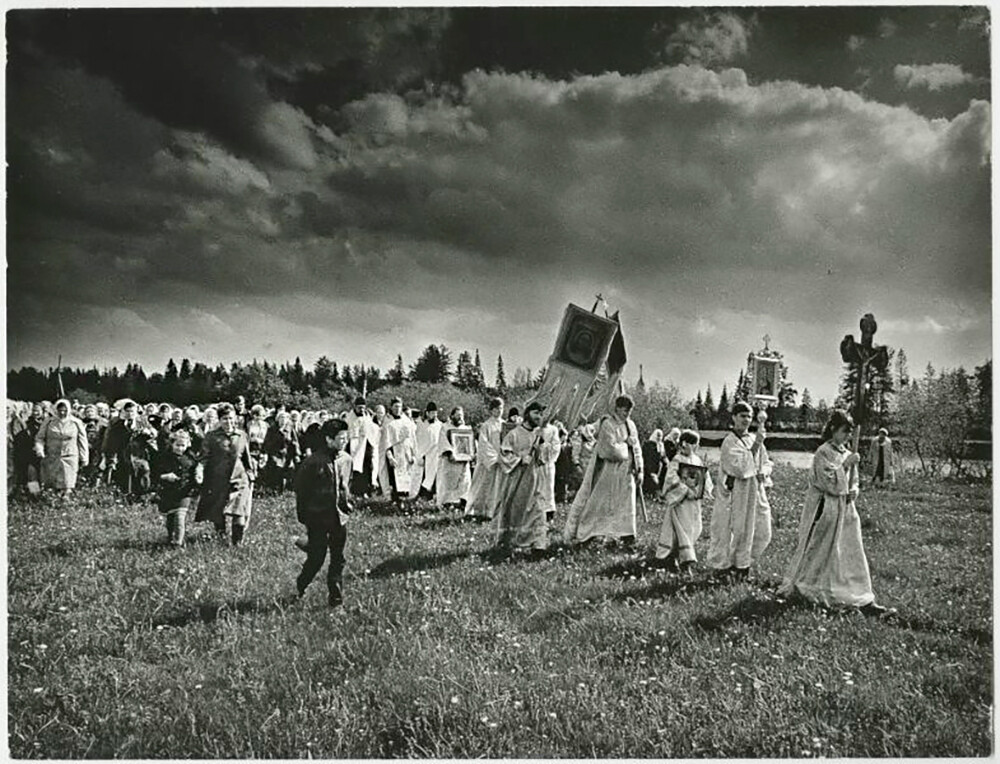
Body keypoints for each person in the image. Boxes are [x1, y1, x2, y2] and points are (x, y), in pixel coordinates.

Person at [779, 410, 895, 617]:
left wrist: (854, 489)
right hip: (826, 509)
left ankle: (858, 594)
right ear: (833, 429)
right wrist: (845, 466)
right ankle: (813, 588)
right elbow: (827, 481)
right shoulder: (823, 452)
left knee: (849, 551)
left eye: (850, 433)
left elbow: (854, 479)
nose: (847, 437)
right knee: (823, 550)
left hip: (846, 509)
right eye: (844, 432)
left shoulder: (845, 452)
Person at [563, 395, 643, 547]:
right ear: (618, 408)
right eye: (625, 410)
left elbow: (637, 448)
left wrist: (640, 469)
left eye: (630, 411)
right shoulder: (608, 424)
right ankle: (587, 535)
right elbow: (609, 451)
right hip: (608, 471)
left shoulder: (631, 425)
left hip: (626, 472)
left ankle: (627, 535)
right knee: (600, 502)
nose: (627, 414)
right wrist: (626, 445)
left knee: (626, 504)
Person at [708, 402, 771, 581]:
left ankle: (747, 561)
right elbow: (739, 469)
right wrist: (757, 445)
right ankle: (736, 568)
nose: (746, 420)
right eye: (742, 415)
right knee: (739, 529)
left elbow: (765, 461)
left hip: (755, 490)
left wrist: (764, 473)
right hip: (738, 493)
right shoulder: (730, 441)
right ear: (734, 417)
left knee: (761, 528)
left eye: (749, 416)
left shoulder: (752, 437)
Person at [294, 418, 354, 608]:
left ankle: (335, 598)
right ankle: (302, 583)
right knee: (317, 558)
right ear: (328, 439)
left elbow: (346, 486)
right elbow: (301, 491)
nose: (344, 441)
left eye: (346, 437)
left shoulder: (346, 459)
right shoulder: (312, 463)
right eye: (340, 438)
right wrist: (305, 517)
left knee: (338, 558)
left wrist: (347, 504)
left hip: (339, 518)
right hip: (318, 518)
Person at [493, 401, 554, 553]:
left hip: (535, 478)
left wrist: (542, 445)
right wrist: (519, 459)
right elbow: (503, 455)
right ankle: (514, 541)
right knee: (517, 510)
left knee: (538, 509)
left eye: (540, 414)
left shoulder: (538, 434)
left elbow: (544, 459)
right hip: (517, 480)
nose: (538, 416)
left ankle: (538, 545)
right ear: (527, 414)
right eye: (536, 413)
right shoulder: (514, 434)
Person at [195, 404, 255, 546]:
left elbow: (246, 458)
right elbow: (204, 457)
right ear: (219, 420)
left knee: (239, 511)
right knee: (218, 510)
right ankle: (220, 537)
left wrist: (251, 474)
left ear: (236, 419)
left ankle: (237, 544)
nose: (228, 422)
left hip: (240, 478)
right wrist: (199, 471)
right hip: (218, 479)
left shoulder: (242, 435)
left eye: (231, 418)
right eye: (224, 419)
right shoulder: (211, 436)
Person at [655, 429, 713, 575]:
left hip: (693, 503)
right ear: (685, 444)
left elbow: (704, 477)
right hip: (681, 502)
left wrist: (704, 489)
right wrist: (685, 490)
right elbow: (671, 478)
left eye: (697, 444)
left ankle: (679, 557)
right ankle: (684, 561)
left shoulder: (697, 460)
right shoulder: (677, 460)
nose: (696, 447)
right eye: (694, 444)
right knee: (682, 530)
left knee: (693, 528)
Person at [153, 429, 202, 547]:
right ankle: (170, 537)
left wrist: (198, 474)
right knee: (170, 517)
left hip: (184, 491)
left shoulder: (190, 457)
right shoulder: (164, 457)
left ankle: (178, 543)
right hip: (168, 491)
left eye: (183, 445)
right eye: (177, 445)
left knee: (180, 516)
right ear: (172, 444)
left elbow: (198, 467)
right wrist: (165, 476)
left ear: (187, 445)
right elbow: (155, 473)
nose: (180, 448)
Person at [35, 399, 89, 494]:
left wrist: (84, 457)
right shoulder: (49, 422)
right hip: (51, 456)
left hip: (70, 456)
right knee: (52, 483)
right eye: (60, 410)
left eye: (65, 410)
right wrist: (40, 449)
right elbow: (40, 437)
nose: (62, 413)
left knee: (68, 483)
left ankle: (65, 504)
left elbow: (82, 441)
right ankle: (50, 503)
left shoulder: (76, 422)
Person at [465, 397, 505, 520]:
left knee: (499, 487)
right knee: (485, 486)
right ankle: (482, 511)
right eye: (496, 409)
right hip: (490, 462)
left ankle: (497, 512)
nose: (499, 411)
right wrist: (494, 458)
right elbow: (483, 444)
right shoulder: (486, 425)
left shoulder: (505, 425)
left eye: (501, 408)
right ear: (491, 410)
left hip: (503, 460)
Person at [436, 407, 474, 510]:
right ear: (452, 416)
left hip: (463, 462)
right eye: (457, 415)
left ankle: (462, 502)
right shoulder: (445, 427)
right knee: (449, 483)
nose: (459, 417)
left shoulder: (466, 429)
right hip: (450, 461)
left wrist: (470, 455)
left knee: (464, 482)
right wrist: (450, 453)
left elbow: (470, 444)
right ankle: (447, 504)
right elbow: (443, 442)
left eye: (461, 415)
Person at [377, 398, 414, 504]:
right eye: (395, 407)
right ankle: (395, 499)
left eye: (399, 407)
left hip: (405, 452)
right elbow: (385, 442)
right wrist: (390, 457)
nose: (398, 409)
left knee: (406, 476)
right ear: (391, 407)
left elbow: (411, 438)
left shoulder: (406, 420)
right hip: (393, 451)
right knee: (394, 477)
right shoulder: (387, 421)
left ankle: (404, 499)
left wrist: (412, 454)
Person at [345, 397, 379, 497]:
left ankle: (365, 490)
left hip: (365, 446)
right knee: (355, 470)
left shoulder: (367, 417)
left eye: (363, 408)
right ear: (355, 407)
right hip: (353, 447)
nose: (362, 410)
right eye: (359, 407)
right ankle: (355, 491)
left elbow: (372, 431)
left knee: (366, 468)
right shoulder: (349, 418)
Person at [410, 403, 442, 501]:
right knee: (420, 475)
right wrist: (419, 454)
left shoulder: (439, 425)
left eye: (436, 413)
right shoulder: (420, 424)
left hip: (434, 454)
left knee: (432, 476)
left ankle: (429, 496)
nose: (434, 415)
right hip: (422, 453)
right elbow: (417, 439)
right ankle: (417, 495)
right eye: (432, 413)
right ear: (427, 413)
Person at [11, 403, 45, 493]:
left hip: (45, 451)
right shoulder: (28, 423)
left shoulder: (47, 422)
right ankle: (35, 495)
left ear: (42, 411)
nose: (35, 413)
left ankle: (45, 495)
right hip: (31, 452)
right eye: (34, 410)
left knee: (44, 475)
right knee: (32, 474)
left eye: (38, 410)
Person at [642, 429, 664, 496]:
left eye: (660, 436)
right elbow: (647, 455)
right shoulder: (648, 444)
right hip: (649, 464)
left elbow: (662, 455)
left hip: (657, 465)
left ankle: (653, 493)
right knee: (649, 478)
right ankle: (647, 493)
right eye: (658, 436)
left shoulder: (660, 445)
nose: (659, 438)